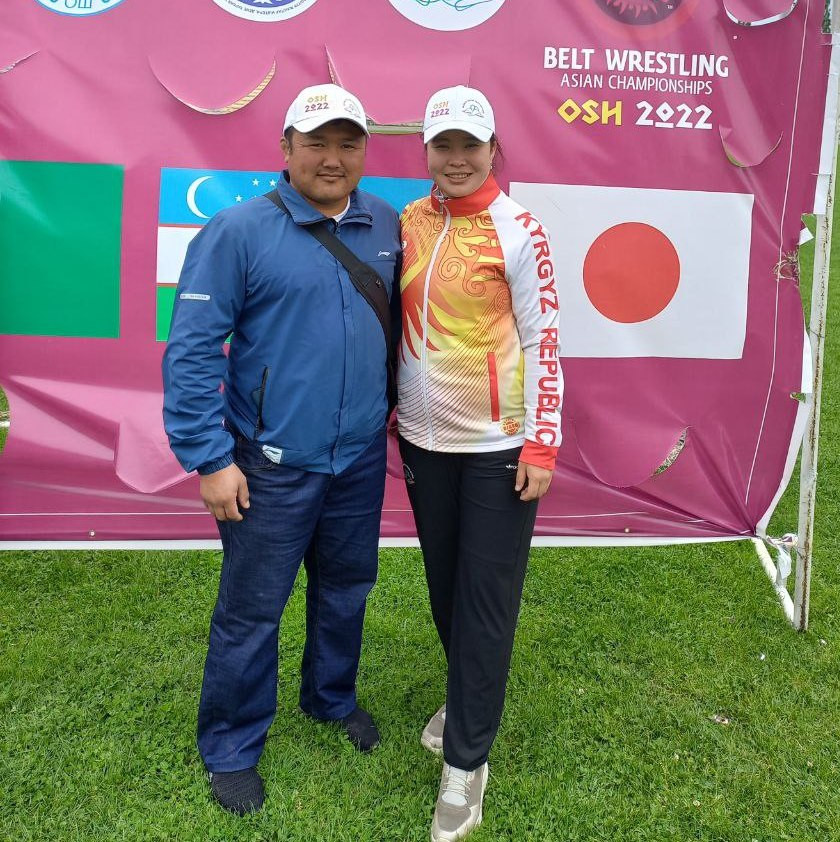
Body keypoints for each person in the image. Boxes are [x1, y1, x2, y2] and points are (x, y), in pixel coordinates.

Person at [161, 84, 401, 815]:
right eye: (316, 142)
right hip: (267, 464)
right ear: (286, 148)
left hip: (357, 458)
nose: (332, 158)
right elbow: (192, 351)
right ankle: (232, 746)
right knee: (252, 610)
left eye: (348, 143)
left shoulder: (386, 223)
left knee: (347, 589)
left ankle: (330, 699)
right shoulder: (237, 231)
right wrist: (210, 458)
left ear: (364, 150)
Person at [396, 85, 564, 842]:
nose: (457, 158)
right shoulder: (410, 221)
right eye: (444, 145)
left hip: (498, 448)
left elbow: (544, 342)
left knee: (486, 606)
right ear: (427, 150)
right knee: (446, 594)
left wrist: (541, 442)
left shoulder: (520, 230)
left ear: (494, 149)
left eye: (471, 145)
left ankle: (467, 765)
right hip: (423, 443)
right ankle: (467, 698)